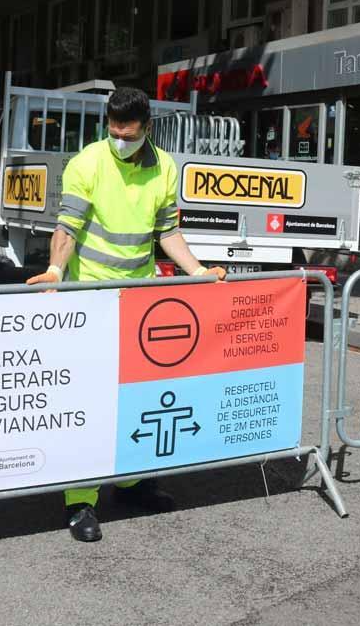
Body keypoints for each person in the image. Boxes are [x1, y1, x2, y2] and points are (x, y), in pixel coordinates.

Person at [25, 86, 226, 542]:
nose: (119, 140)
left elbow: (166, 232)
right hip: (90, 300)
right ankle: (80, 502)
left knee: (138, 395)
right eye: (113, 132)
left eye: (128, 134)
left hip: (140, 300)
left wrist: (198, 272)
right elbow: (67, 226)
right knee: (89, 403)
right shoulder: (88, 163)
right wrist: (56, 268)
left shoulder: (165, 167)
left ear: (147, 129)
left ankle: (133, 483)